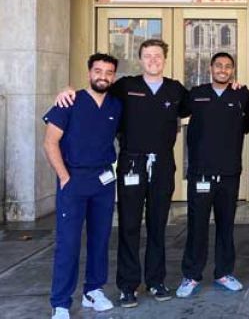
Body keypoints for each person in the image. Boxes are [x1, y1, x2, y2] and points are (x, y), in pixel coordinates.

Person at [56, 38, 190, 307]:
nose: (153, 60)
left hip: (162, 165)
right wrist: (67, 91)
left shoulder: (176, 90)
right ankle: (128, 286)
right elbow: (95, 91)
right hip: (131, 164)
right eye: (147, 56)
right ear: (140, 59)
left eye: (157, 56)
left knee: (157, 225)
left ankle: (156, 280)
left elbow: (200, 107)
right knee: (129, 226)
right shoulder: (125, 87)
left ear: (165, 59)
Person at [45, 53, 122, 319]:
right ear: (89, 72)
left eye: (109, 72)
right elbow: (50, 142)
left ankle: (93, 291)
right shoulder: (69, 101)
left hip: (103, 181)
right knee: (68, 242)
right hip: (74, 179)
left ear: (114, 76)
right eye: (98, 70)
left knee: (100, 239)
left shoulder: (115, 105)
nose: (103, 76)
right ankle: (61, 302)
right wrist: (64, 177)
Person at [177, 52, 249, 298]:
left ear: (233, 70)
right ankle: (191, 275)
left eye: (228, 66)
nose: (223, 69)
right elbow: (172, 112)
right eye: (218, 65)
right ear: (211, 68)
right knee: (197, 226)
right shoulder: (196, 93)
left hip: (229, 173)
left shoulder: (242, 95)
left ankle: (223, 272)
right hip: (200, 172)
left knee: (226, 225)